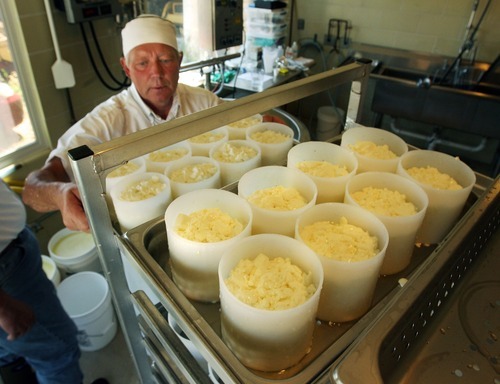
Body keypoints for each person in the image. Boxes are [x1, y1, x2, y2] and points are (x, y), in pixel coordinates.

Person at [22, 14, 224, 232]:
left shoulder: (205, 102)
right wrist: (59, 195)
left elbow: (248, 118)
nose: (156, 73)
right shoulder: (106, 121)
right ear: (126, 68)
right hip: (140, 231)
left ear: (180, 60)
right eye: (142, 63)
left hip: (209, 219)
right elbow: (33, 186)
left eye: (166, 60)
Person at [0, 179, 83, 383]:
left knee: (10, 350)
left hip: (11, 259)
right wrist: (3, 309)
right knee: (57, 355)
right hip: (6, 278)